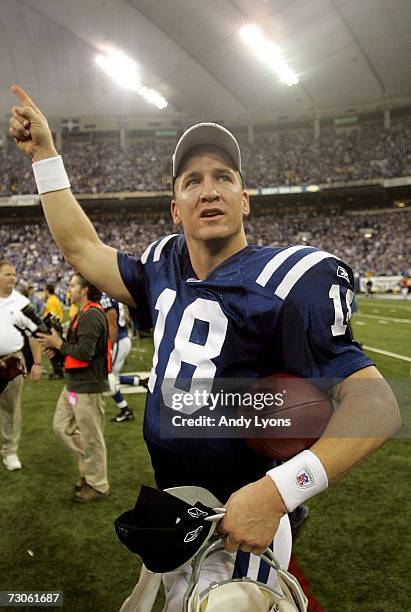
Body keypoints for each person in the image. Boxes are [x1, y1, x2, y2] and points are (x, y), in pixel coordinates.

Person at [9, 86, 400, 605]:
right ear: (176, 208)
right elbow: (83, 246)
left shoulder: (287, 281)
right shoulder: (163, 267)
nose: (208, 190)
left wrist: (280, 491)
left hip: (243, 515)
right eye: (193, 181)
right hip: (177, 509)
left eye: (224, 178)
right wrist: (46, 157)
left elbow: (377, 404)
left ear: (244, 200)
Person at [36, 272, 111, 502]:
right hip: (74, 387)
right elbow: (73, 349)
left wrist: (58, 343)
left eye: (73, 285)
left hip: (88, 387)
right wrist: (57, 349)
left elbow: (84, 353)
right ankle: (89, 471)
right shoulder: (82, 314)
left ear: (85, 290)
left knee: (92, 438)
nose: (69, 289)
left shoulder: (91, 315)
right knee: (62, 427)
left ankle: (98, 484)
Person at [0, 260, 42, 471]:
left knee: (11, 408)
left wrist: (37, 362)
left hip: (12, 360)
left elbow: (34, 333)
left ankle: (10, 452)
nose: (13, 278)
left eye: (14, 274)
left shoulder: (21, 302)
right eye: (8, 274)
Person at [100, 294, 138, 422]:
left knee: (109, 377)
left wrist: (110, 346)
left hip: (118, 340)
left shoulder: (105, 296)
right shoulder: (113, 294)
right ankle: (140, 382)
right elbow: (125, 318)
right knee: (112, 376)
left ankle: (125, 410)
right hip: (122, 338)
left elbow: (113, 322)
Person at [43, 283, 64, 379]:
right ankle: (59, 369)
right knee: (56, 349)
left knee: (51, 349)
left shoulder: (51, 301)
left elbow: (51, 316)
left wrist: (49, 329)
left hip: (53, 327)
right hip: (57, 326)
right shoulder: (55, 299)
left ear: (47, 291)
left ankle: (58, 371)